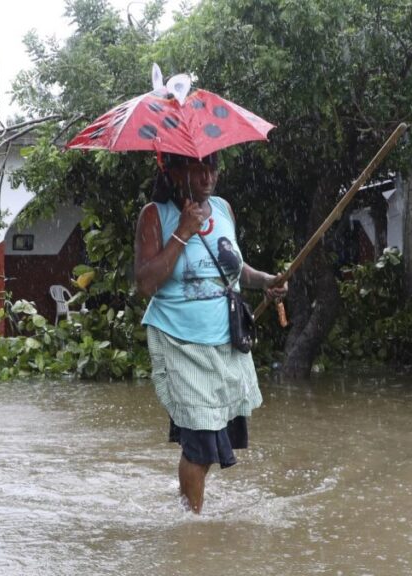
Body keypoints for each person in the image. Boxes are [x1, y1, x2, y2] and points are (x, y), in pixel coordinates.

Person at [133, 152, 287, 514]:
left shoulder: (223, 209)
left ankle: (188, 505)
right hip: (179, 341)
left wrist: (266, 281)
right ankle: (192, 528)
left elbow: (233, 267)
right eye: (197, 169)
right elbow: (146, 283)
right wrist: (183, 232)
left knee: (213, 435)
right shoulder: (155, 215)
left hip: (224, 339)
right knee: (200, 444)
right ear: (173, 172)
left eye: (212, 168)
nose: (208, 177)